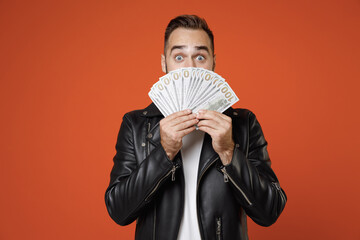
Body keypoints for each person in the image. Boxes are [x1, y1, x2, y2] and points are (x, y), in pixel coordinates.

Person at [105, 15, 287, 240]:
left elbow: (269, 212)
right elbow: (118, 211)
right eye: (179, 56)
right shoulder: (136, 125)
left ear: (213, 63)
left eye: (200, 56)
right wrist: (164, 153)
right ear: (164, 63)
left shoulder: (243, 123)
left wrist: (229, 152)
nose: (189, 68)